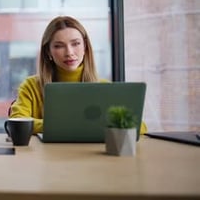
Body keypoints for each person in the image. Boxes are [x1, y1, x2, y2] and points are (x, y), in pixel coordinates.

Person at [9, 15, 147, 134]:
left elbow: (140, 126)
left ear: (85, 47)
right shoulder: (31, 86)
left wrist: (56, 127)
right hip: (44, 160)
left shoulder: (105, 88)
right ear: (48, 52)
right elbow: (17, 121)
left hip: (93, 159)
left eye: (75, 44)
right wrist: (84, 126)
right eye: (59, 46)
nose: (69, 52)